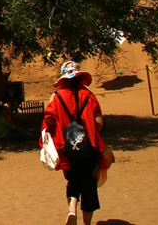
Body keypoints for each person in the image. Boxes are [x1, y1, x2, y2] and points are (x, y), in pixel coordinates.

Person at [42, 61, 111, 225]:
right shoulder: (89, 95)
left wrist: (63, 127)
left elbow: (49, 119)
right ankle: (87, 224)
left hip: (66, 147)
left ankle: (72, 209)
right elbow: (99, 122)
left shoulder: (56, 96)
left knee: (72, 181)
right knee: (88, 183)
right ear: (79, 77)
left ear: (63, 79)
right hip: (89, 147)